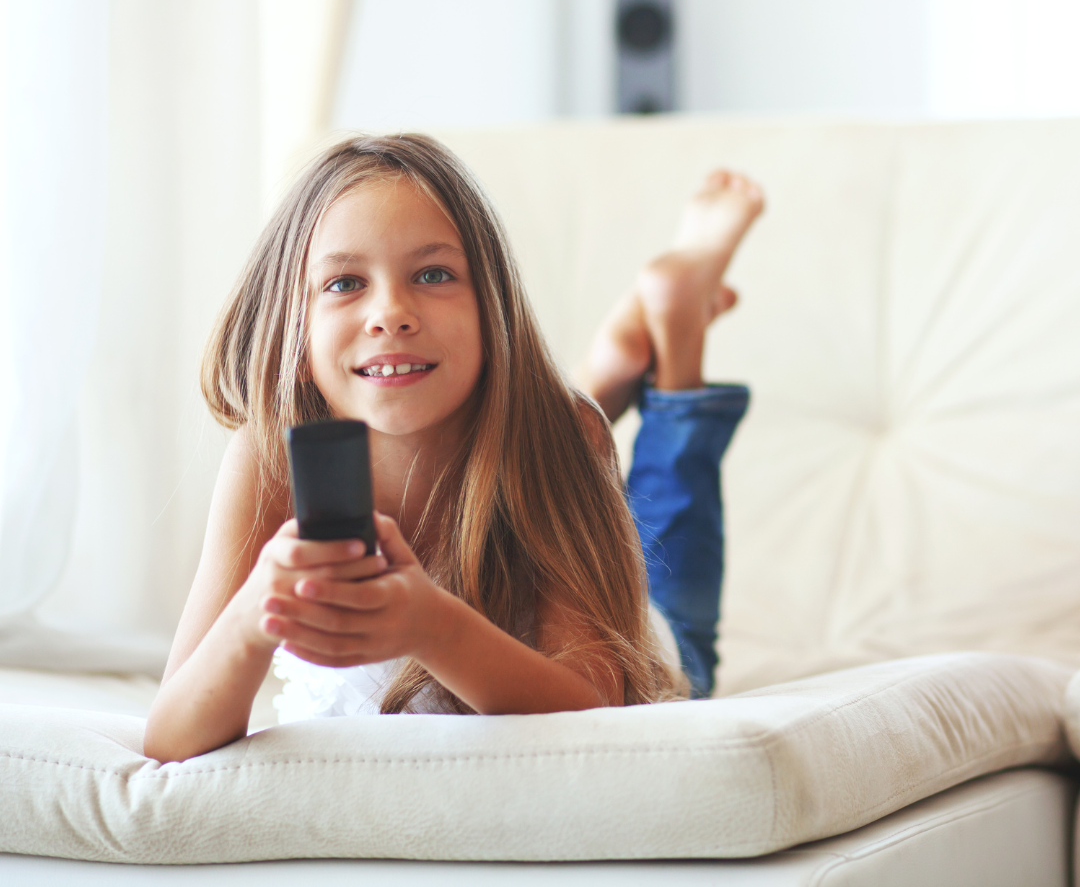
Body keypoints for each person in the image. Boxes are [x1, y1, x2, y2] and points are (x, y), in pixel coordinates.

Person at [143, 135, 762, 763]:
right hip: (527, 428)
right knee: (557, 419)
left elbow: (596, 715)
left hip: (647, 639)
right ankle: (615, 357)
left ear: (494, 313)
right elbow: (169, 738)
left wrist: (430, 625)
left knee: (671, 566)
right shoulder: (267, 460)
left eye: (433, 274)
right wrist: (253, 615)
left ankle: (676, 341)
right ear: (292, 341)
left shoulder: (563, 436)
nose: (390, 312)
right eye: (345, 282)